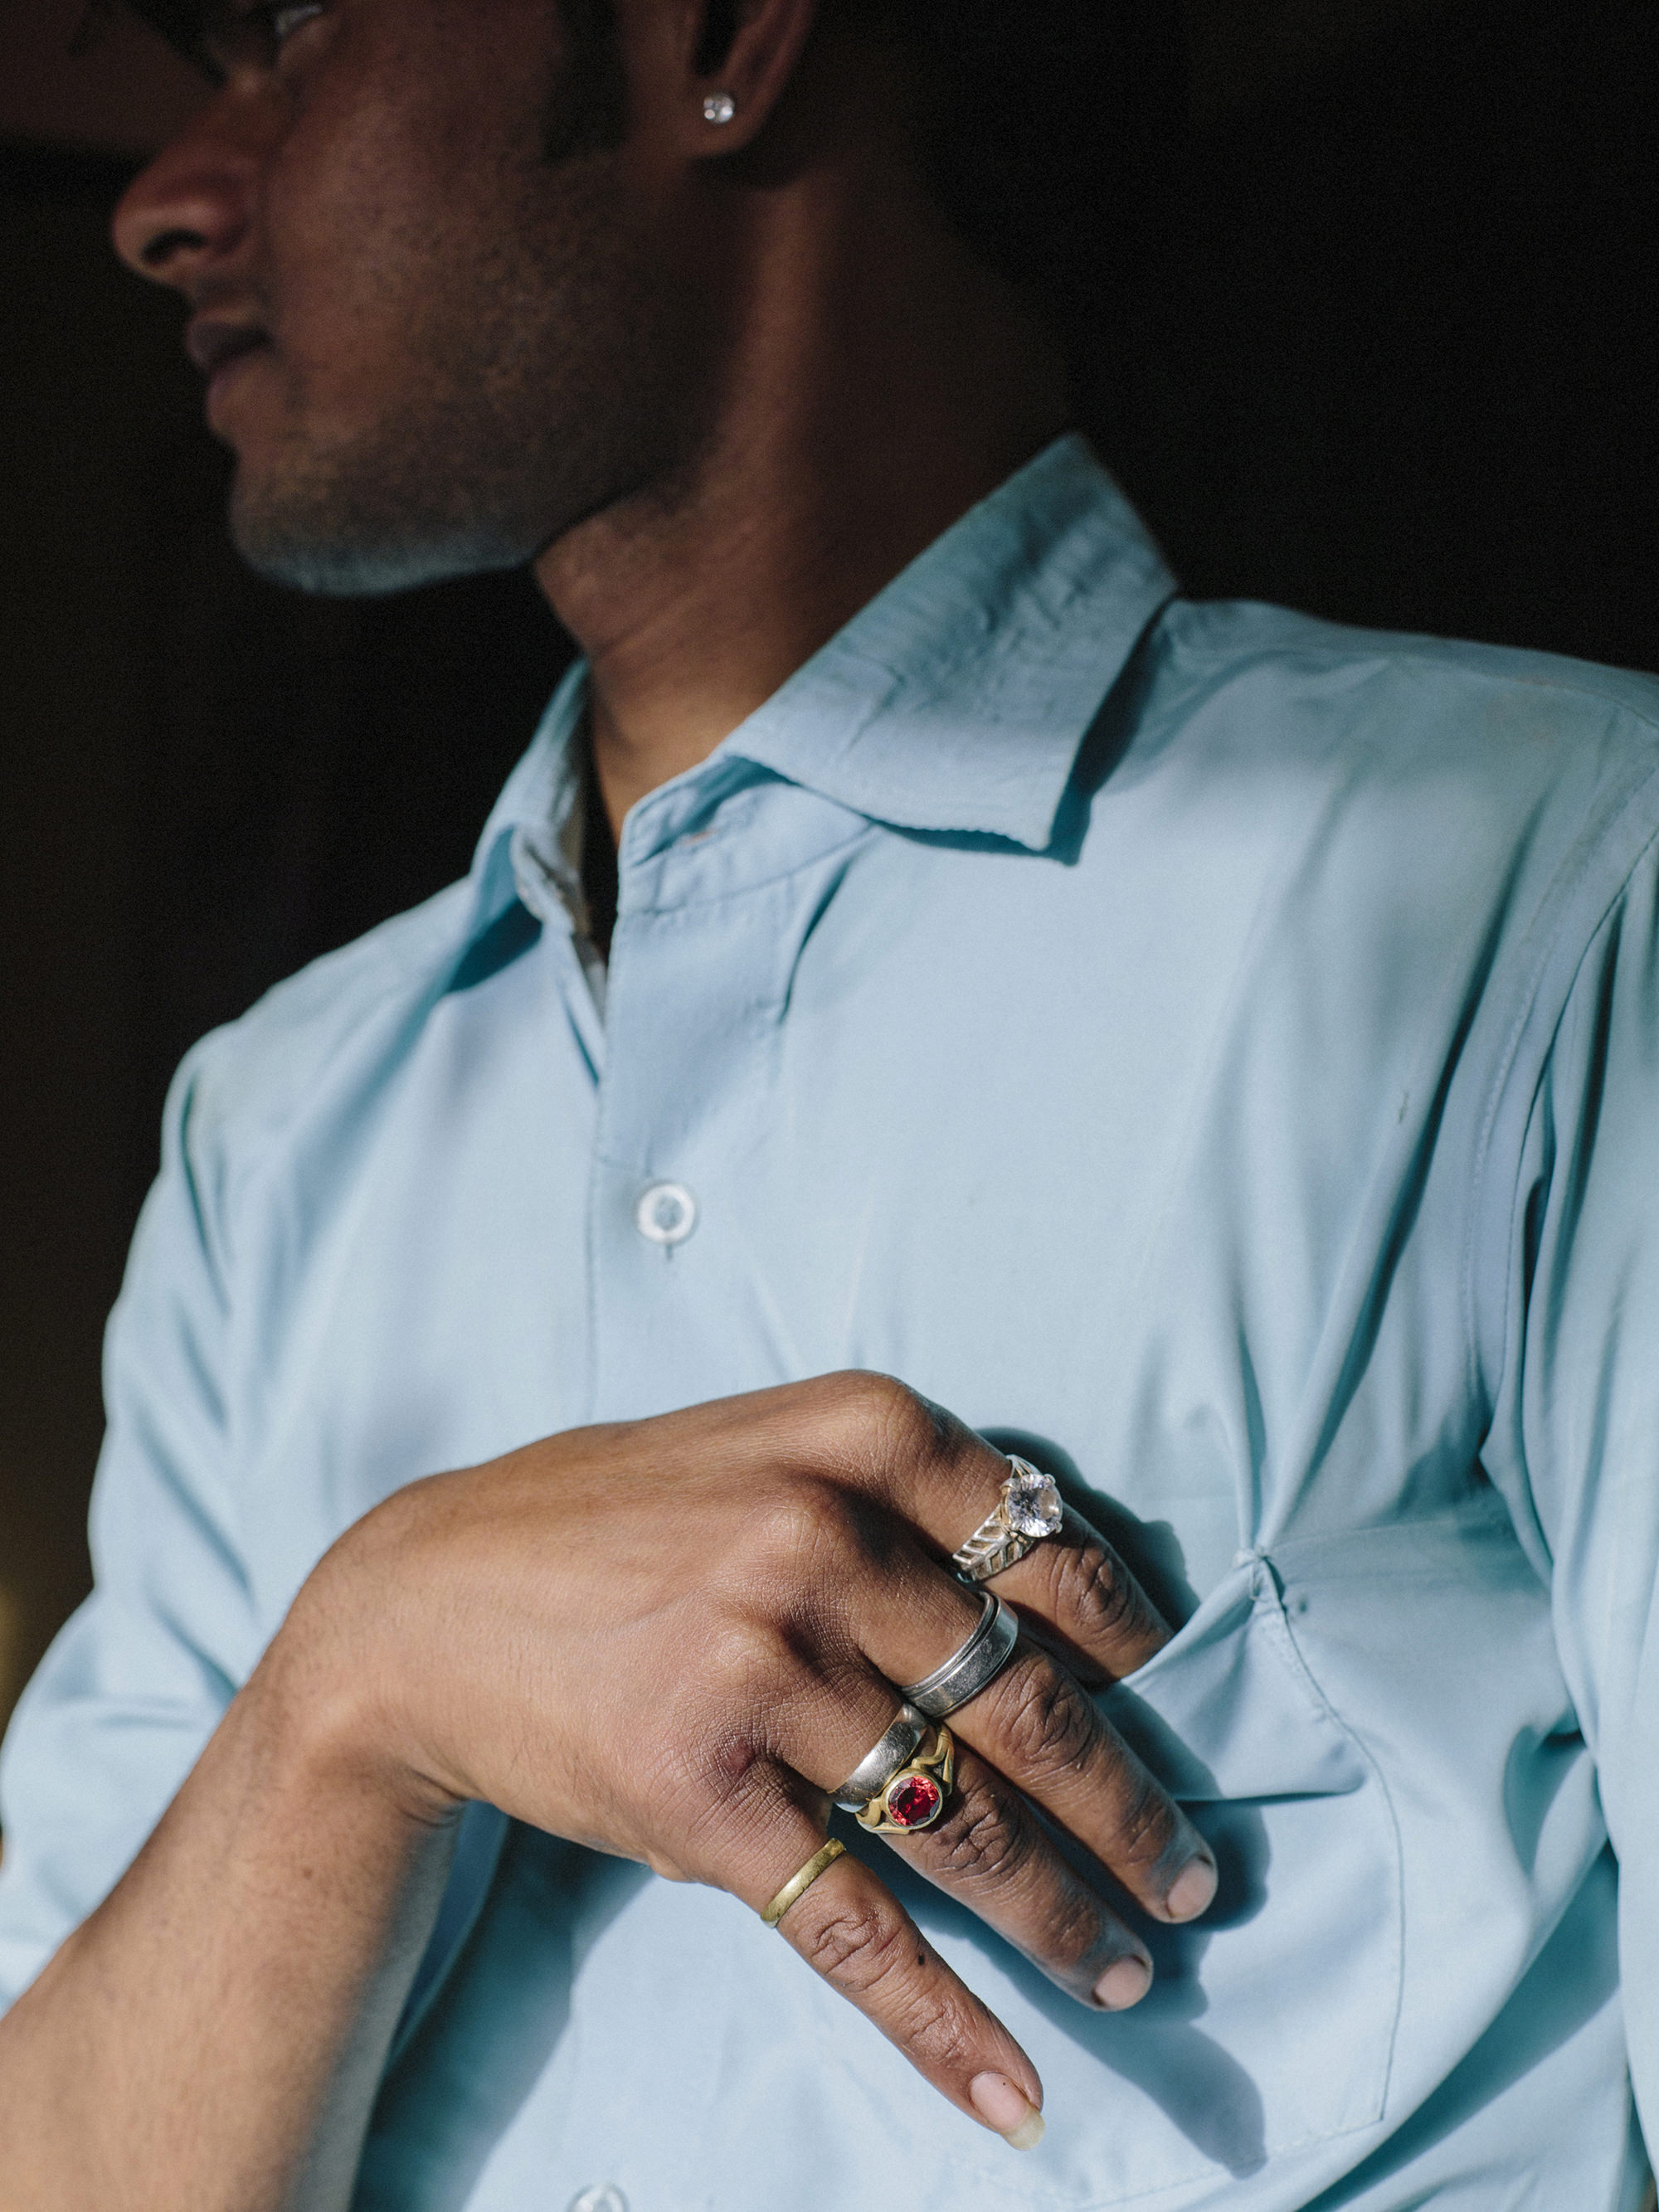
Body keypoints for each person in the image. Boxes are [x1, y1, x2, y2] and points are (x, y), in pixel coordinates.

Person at [2, 0, 1657, 2205]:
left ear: (719, 38)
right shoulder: (269, 1141)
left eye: (298, 31)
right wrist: (355, 1689)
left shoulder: (1556, 897)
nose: (163, 199)